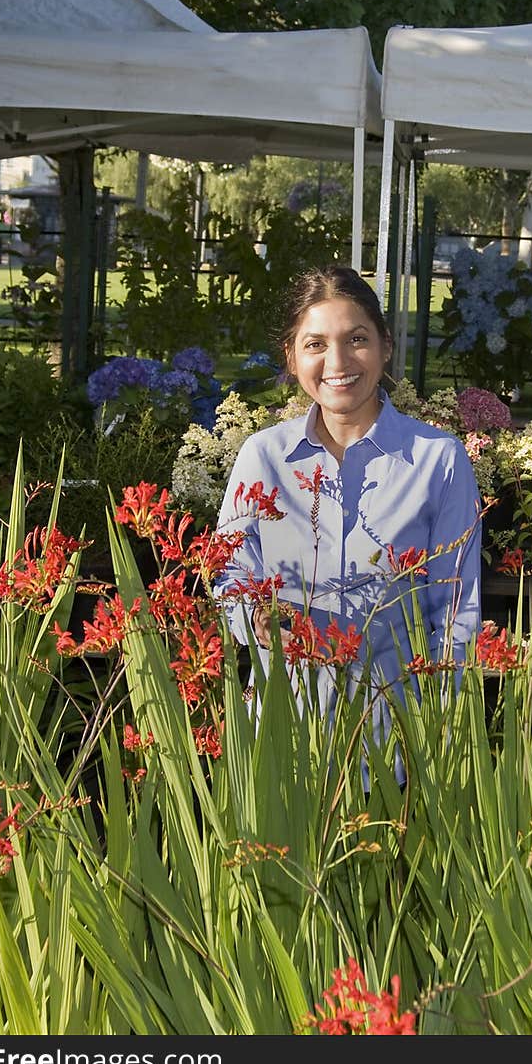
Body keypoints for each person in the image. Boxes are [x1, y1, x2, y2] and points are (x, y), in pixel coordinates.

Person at [213, 265, 483, 772]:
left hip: (395, 746)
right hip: (279, 742)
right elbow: (228, 574)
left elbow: (455, 615)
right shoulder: (263, 457)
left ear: (384, 345)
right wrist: (257, 620)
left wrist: (442, 738)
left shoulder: (439, 460)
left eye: (356, 339)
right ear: (291, 358)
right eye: (315, 344)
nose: (337, 361)